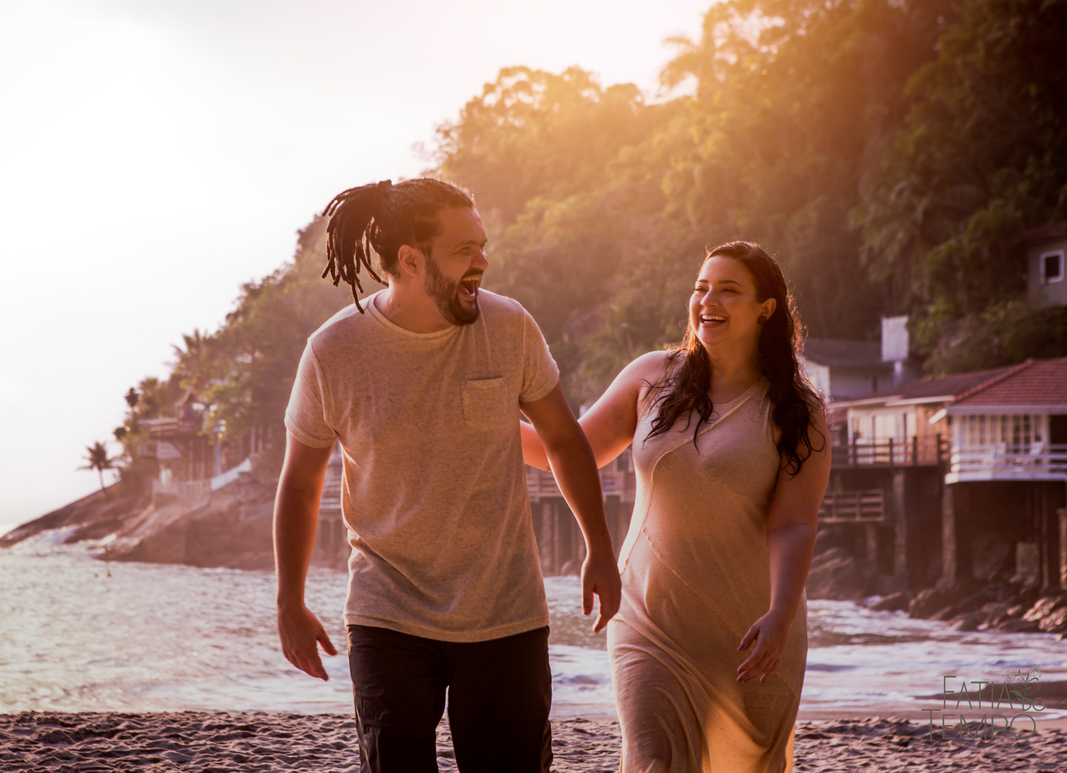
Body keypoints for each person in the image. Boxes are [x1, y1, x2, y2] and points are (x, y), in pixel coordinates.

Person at [275, 177, 622, 773]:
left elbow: (564, 440)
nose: (482, 261)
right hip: (387, 611)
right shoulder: (334, 351)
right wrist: (289, 601)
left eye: (482, 245)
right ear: (410, 260)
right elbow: (302, 483)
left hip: (505, 610)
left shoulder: (508, 326)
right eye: (465, 249)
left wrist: (599, 547)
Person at [522, 241, 830, 772]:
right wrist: (488, 415)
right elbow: (568, 451)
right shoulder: (652, 377)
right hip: (650, 618)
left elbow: (793, 523)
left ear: (766, 309)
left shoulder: (796, 409)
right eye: (701, 287)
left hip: (751, 629)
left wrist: (781, 614)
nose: (708, 301)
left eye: (728, 290)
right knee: (653, 762)